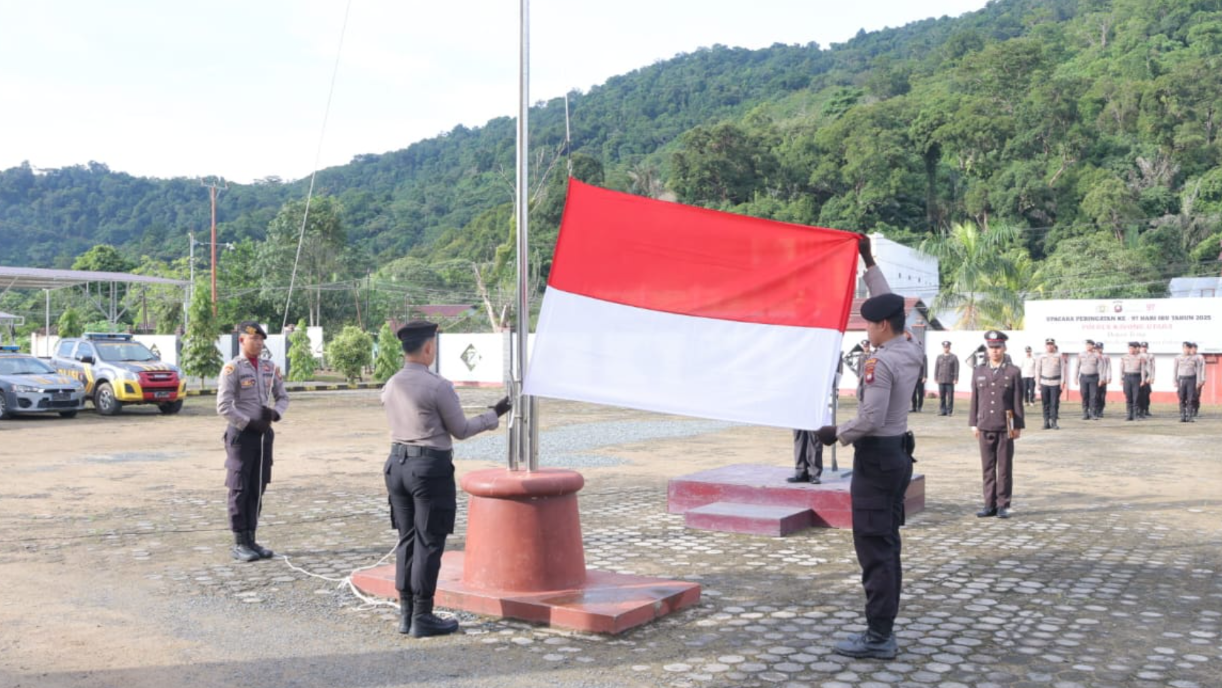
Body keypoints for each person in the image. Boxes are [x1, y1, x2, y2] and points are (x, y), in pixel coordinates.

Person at [814, 235, 921, 661]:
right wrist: (868, 261)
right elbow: (887, 300)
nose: (867, 328)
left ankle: (879, 636)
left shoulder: (881, 361)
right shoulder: (909, 345)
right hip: (896, 456)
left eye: (868, 324)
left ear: (880, 327)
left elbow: (871, 419)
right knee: (887, 543)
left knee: (875, 548)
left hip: (876, 461)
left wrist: (834, 434)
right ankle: (882, 627)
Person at [381, 320, 511, 638]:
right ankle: (422, 616)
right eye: (434, 346)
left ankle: (407, 614)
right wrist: (495, 413)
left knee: (407, 539)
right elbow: (462, 430)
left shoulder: (391, 383)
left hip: (396, 465)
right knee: (429, 540)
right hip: (428, 469)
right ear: (428, 348)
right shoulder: (437, 385)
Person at [216, 321, 290, 563]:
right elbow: (224, 407)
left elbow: (283, 397)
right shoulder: (233, 368)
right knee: (240, 487)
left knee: (258, 486)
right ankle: (239, 542)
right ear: (242, 340)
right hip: (241, 435)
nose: (258, 343)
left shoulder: (270, 367)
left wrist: (274, 414)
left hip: (263, 435)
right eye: (253, 338)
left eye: (261, 339)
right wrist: (249, 423)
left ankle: (251, 538)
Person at [968, 330, 1024, 519]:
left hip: (1006, 424)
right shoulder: (979, 371)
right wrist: (973, 423)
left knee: (1005, 467)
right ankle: (988, 504)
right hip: (984, 424)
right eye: (991, 348)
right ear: (987, 349)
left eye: (998, 347)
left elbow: (1017, 401)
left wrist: (1017, 426)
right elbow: (974, 400)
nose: (994, 351)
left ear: (1004, 348)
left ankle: (1003, 505)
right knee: (987, 467)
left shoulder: (1013, 372)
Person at [1034, 338, 1065, 429]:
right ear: (1045, 346)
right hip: (1044, 382)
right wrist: (1037, 383)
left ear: (1054, 345)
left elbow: (1063, 369)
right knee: (1045, 403)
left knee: (1054, 403)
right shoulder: (1041, 356)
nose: (1050, 346)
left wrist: (1062, 382)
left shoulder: (1059, 356)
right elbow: (1037, 370)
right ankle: (1046, 422)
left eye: (1051, 344)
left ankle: (1054, 422)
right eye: (1048, 344)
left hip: (1055, 383)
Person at [1119, 342, 1149, 422]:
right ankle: (1129, 415)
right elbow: (1121, 368)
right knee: (1128, 396)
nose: (1130, 350)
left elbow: (1143, 369)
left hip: (1136, 378)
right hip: (1127, 377)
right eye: (1129, 348)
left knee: (1136, 397)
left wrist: (1143, 380)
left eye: (1132, 348)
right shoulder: (1124, 357)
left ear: (1136, 349)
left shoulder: (1140, 357)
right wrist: (1121, 379)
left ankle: (1136, 415)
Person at [1075, 340, 1102, 420]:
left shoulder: (1097, 355)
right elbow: (1077, 366)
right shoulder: (1081, 354)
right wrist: (1075, 377)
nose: (1088, 346)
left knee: (1093, 396)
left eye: (1090, 345)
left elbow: (1100, 368)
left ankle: (1093, 413)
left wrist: (1101, 379)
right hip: (1083, 377)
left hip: (1094, 377)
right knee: (1084, 395)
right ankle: (1085, 413)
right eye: (1087, 345)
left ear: (1093, 346)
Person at [934, 341, 959, 416]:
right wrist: (935, 377)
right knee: (942, 396)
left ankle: (949, 411)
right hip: (941, 379)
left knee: (950, 396)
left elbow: (956, 368)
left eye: (947, 347)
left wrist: (956, 378)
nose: (946, 348)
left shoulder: (954, 357)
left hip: (950, 379)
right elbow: (936, 368)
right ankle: (943, 411)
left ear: (949, 348)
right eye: (945, 347)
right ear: (943, 348)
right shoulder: (939, 357)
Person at [905, 330, 927, 413]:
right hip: (912, 377)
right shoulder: (911, 355)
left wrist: (925, 376)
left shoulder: (923, 356)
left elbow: (925, 366)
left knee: (920, 393)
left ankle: (919, 407)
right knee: (913, 393)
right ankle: (914, 407)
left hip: (921, 377)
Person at [1137, 342, 1155, 418]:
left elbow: (1153, 367)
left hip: (1147, 376)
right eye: (1142, 347)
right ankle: (1138, 410)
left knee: (1146, 394)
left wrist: (1151, 377)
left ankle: (1146, 410)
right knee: (1138, 394)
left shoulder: (1150, 356)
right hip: (1138, 376)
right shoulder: (1137, 355)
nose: (1144, 348)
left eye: (1145, 347)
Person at [1095, 342, 1112, 418]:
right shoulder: (1093, 356)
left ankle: (1100, 410)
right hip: (1094, 378)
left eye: (1100, 348)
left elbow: (1109, 367)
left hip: (1103, 379)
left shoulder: (1106, 356)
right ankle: (1094, 410)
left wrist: (1109, 377)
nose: (1098, 350)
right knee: (1095, 395)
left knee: (1102, 396)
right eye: (1097, 348)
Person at [1191, 342, 1206, 419]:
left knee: (1196, 395)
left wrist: (1203, 379)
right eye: (1192, 348)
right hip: (1189, 379)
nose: (1193, 350)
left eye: (1195, 348)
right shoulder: (1188, 357)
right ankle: (1189, 410)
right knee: (1189, 395)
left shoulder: (1200, 357)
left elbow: (1203, 369)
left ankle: (1195, 410)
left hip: (1198, 379)